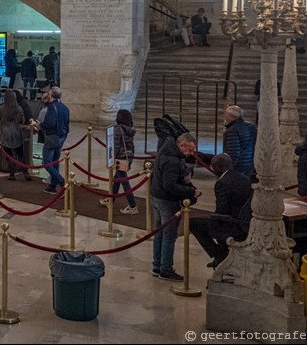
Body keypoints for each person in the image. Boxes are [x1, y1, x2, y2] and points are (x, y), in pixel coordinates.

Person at [151, 132, 201, 280]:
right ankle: (165, 269)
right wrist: (190, 191)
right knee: (169, 235)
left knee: (159, 233)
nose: (191, 154)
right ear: (181, 145)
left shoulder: (166, 150)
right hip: (166, 200)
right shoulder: (172, 160)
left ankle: (157, 266)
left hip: (156, 196)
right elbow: (170, 185)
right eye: (190, 150)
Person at [189, 152, 252, 268]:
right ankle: (220, 255)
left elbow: (221, 210)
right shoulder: (244, 178)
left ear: (218, 167)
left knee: (193, 223)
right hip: (245, 222)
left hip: (232, 224)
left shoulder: (223, 183)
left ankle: (219, 254)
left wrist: (212, 218)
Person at [106, 109, 140, 214]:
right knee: (117, 179)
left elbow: (115, 146)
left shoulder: (118, 130)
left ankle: (132, 205)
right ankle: (111, 199)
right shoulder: (129, 130)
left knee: (124, 182)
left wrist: (111, 159)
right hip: (127, 156)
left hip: (120, 157)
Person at [39, 86, 70, 193]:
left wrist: (41, 125)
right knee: (55, 161)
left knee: (46, 162)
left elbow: (49, 124)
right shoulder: (65, 108)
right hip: (61, 136)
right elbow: (67, 125)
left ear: (51, 96)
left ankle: (61, 181)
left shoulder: (51, 107)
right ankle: (53, 186)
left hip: (52, 136)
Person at [0, 90, 26, 180]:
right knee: (21, 154)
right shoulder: (19, 109)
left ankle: (12, 174)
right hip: (17, 133)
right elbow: (22, 121)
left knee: (9, 155)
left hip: (5, 134)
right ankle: (26, 173)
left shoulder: (1, 109)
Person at [222, 105, 257, 181]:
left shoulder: (232, 131)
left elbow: (233, 153)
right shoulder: (251, 126)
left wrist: (229, 170)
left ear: (231, 117)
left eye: (226, 116)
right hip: (249, 165)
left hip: (239, 167)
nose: (225, 118)